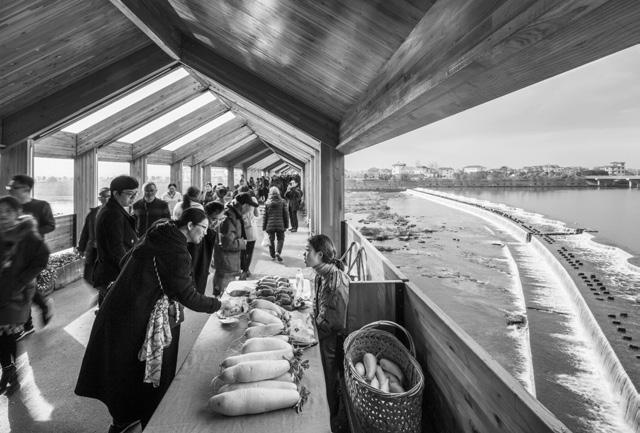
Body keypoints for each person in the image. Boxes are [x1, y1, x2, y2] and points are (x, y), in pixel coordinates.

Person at [75, 208, 227, 432]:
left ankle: (124, 418)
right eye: (204, 228)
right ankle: (142, 420)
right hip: (137, 316)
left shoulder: (160, 230)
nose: (206, 233)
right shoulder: (176, 252)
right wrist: (219, 304)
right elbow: (187, 295)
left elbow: (126, 259)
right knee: (142, 370)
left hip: (121, 308)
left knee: (123, 369)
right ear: (190, 226)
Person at [0, 196, 50, 394]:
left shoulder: (29, 235)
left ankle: (10, 371)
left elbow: (42, 258)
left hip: (17, 291)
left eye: (8, 211)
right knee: (2, 333)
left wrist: (21, 280)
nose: (3, 215)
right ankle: (8, 369)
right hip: (3, 287)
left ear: (17, 213)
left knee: (7, 331)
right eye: (0, 212)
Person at [303, 234, 349, 433]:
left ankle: (330, 420)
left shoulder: (334, 282)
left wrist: (307, 337)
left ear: (320, 255)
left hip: (332, 339)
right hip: (324, 333)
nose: (304, 254)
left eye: (308, 251)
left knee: (329, 377)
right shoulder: (321, 273)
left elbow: (333, 322)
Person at [6, 174, 55, 338]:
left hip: (32, 255)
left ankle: (25, 324)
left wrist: (30, 233)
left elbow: (50, 225)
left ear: (26, 189)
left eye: (14, 187)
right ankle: (32, 318)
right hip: (11, 255)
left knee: (24, 287)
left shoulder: (41, 206)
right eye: (9, 187)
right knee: (22, 288)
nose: (10, 190)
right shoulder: (9, 207)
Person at [94, 175, 139, 306]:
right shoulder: (112, 214)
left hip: (112, 273)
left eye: (135, 194)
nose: (133, 198)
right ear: (115, 193)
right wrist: (131, 272)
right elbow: (117, 250)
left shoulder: (113, 210)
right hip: (114, 275)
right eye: (129, 194)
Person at [212, 193, 252, 296]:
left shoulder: (234, 214)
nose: (250, 209)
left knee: (226, 295)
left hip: (229, 263)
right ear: (244, 205)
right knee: (225, 296)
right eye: (250, 206)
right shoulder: (229, 217)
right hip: (226, 265)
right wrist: (243, 242)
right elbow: (228, 243)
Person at [189, 201, 224, 294]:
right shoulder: (198, 235)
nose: (217, 223)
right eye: (214, 219)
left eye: (220, 219)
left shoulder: (210, 233)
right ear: (205, 215)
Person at [77, 187, 110, 285]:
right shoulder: (93, 213)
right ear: (99, 198)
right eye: (103, 196)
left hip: (107, 251)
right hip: (93, 249)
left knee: (104, 277)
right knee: (89, 277)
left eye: (108, 196)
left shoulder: (115, 213)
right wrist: (81, 248)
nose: (106, 199)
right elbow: (85, 232)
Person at [262, 186, 289, 262]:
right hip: (280, 224)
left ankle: (272, 255)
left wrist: (264, 227)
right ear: (278, 193)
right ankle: (278, 252)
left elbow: (265, 216)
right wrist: (286, 225)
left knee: (271, 240)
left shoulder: (267, 202)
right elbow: (286, 215)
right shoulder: (282, 202)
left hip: (270, 225)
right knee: (281, 239)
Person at [238, 189, 259, 280]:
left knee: (242, 251)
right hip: (251, 229)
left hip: (241, 229)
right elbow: (257, 214)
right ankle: (245, 271)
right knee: (249, 251)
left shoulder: (238, 201)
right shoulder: (253, 200)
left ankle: (244, 270)